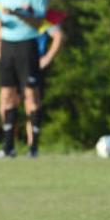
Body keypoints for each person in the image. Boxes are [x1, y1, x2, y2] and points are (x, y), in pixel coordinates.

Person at [0, 0, 47, 158]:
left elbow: (40, 22)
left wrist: (17, 13)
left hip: (27, 45)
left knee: (31, 94)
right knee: (7, 95)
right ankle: (8, 147)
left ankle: (33, 147)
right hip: (8, 45)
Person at [27, 11, 65, 146]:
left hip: (34, 64)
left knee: (31, 102)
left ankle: (32, 145)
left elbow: (58, 36)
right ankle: (9, 144)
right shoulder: (14, 13)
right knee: (9, 101)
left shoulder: (45, 15)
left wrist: (47, 58)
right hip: (14, 62)